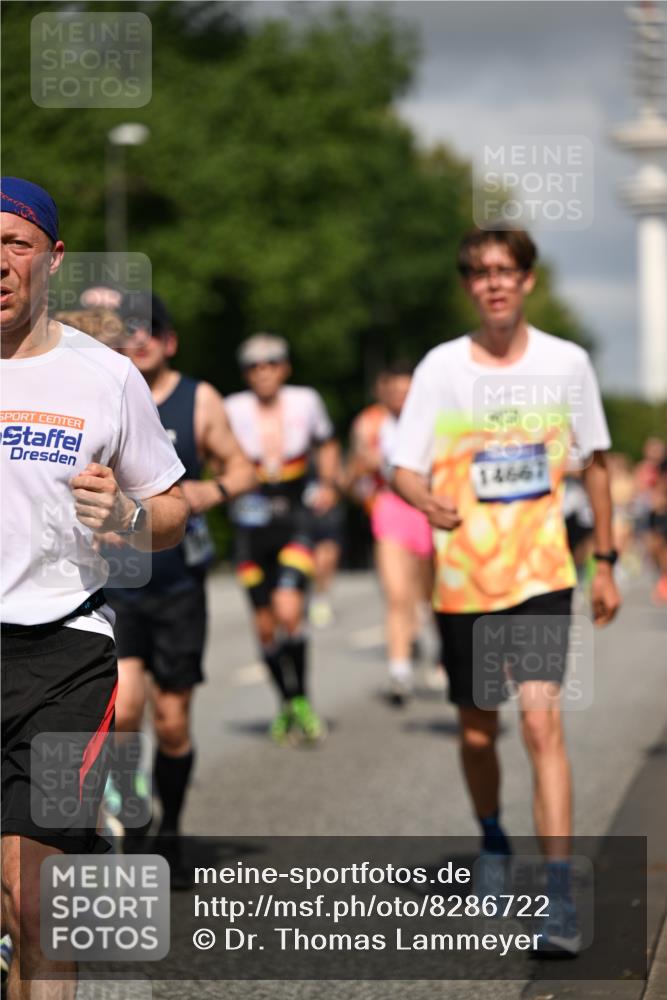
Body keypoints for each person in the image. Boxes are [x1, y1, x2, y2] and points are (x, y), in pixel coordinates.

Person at [392, 225, 621, 954]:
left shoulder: (566, 363)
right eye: (479, 272)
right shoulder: (439, 368)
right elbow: (403, 467)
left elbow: (596, 467)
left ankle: (558, 897)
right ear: (469, 285)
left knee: (540, 723)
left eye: (505, 270)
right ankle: (492, 835)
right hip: (462, 578)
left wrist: (607, 561)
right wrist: (425, 501)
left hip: (542, 574)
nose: (492, 282)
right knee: (475, 729)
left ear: (525, 280)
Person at [0, 178, 188, 998]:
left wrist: (127, 512)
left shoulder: (104, 376)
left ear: (53, 259)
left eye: (15, 243)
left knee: (35, 900)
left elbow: (172, 509)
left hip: (64, 656)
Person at [100, 291, 256, 881]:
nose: (137, 339)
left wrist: (200, 495)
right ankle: (131, 811)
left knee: (172, 720)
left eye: (150, 330)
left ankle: (172, 829)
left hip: (178, 584)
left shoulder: (200, 398)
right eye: (127, 331)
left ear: (169, 341)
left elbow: (241, 468)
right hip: (116, 584)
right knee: (123, 707)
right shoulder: (104, 390)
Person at [225, 333, 340, 744]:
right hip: (249, 524)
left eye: (271, 363)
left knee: (290, 611)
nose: (264, 372)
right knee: (266, 627)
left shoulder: (306, 401)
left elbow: (326, 443)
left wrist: (328, 483)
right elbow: (212, 454)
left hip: (294, 520)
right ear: (246, 373)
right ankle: (287, 701)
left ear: (284, 367)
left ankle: (302, 699)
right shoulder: (231, 408)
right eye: (254, 366)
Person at [352, 362, 435, 704]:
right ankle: (399, 671)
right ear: (382, 392)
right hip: (390, 509)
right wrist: (362, 470)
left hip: (431, 508)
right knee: (397, 594)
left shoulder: (434, 420)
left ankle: (438, 649)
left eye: (407, 390)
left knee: (430, 595)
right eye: (394, 390)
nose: (400, 397)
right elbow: (354, 476)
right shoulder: (370, 424)